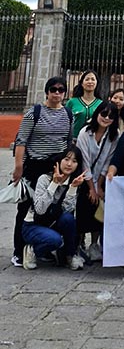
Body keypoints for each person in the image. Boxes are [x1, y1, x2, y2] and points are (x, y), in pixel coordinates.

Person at [11, 76, 74, 267]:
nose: (56, 93)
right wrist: (19, 167)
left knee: (50, 208)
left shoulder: (68, 114)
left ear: (65, 93)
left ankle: (42, 247)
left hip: (55, 167)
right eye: (53, 89)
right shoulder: (34, 113)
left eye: (60, 90)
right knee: (26, 208)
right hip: (34, 166)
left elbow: (68, 141)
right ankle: (19, 250)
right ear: (47, 91)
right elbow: (21, 140)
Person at [22, 147, 86, 271]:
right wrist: (54, 184)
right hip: (33, 225)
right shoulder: (44, 179)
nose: (69, 164)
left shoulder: (74, 181)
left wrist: (72, 188)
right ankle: (32, 250)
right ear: (59, 161)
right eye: (66, 159)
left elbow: (67, 210)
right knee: (55, 240)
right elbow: (40, 209)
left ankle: (70, 255)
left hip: (54, 223)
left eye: (74, 161)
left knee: (69, 218)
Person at [76, 101, 120, 262]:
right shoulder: (84, 133)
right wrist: (91, 188)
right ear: (97, 114)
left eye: (111, 116)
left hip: (100, 178)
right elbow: (84, 162)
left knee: (98, 211)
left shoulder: (114, 135)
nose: (106, 118)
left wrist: (99, 185)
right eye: (103, 114)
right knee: (83, 208)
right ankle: (79, 243)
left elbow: (107, 160)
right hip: (83, 179)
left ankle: (94, 244)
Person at [65, 70, 103, 139]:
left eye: (93, 79)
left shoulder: (100, 103)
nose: (90, 82)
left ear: (96, 83)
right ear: (82, 83)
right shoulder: (72, 102)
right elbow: (65, 121)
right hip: (74, 140)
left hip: (93, 140)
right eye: (87, 79)